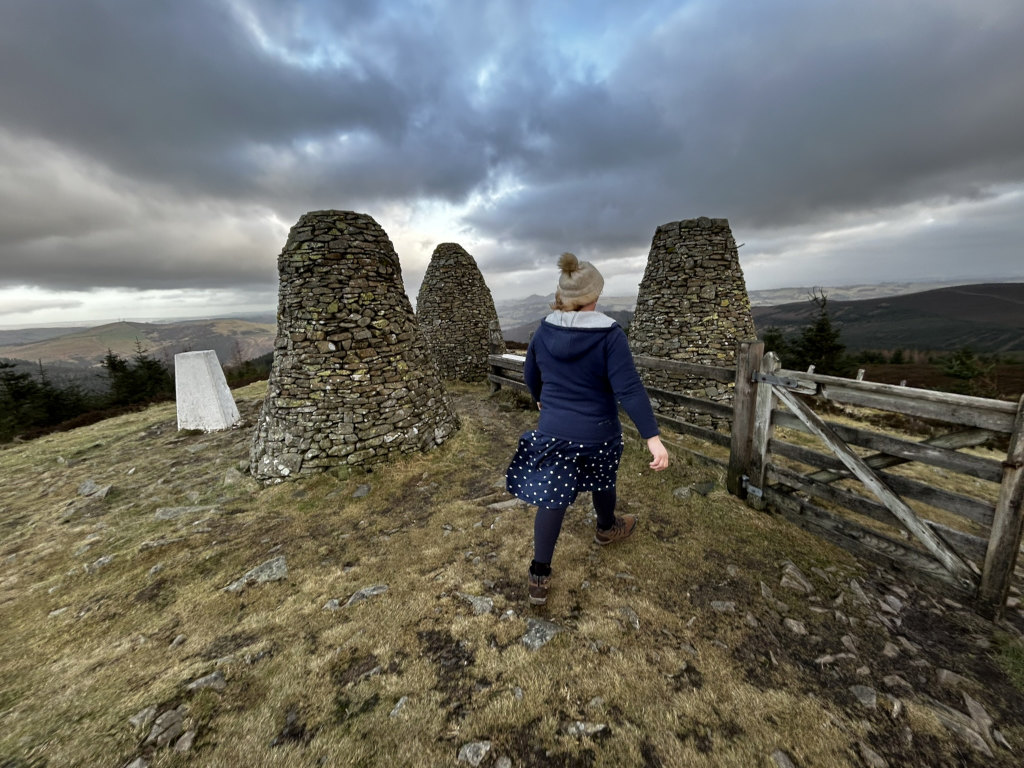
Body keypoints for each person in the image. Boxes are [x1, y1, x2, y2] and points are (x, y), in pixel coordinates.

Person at [505, 252, 669, 605]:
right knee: (603, 478)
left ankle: (539, 574)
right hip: (598, 432)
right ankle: (606, 528)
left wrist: (539, 398)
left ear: (562, 296)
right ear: (594, 295)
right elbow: (629, 389)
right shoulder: (610, 335)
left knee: (553, 496)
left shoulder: (543, 330)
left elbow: (531, 374)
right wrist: (652, 439)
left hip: (553, 430)